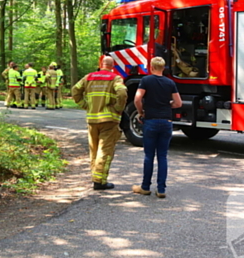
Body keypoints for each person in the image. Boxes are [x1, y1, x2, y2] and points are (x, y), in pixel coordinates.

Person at [72, 56, 127, 191]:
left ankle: (95, 177)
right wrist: (118, 109)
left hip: (92, 119)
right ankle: (99, 181)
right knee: (105, 150)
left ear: (100, 64)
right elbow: (123, 93)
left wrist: (85, 105)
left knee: (94, 150)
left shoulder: (89, 77)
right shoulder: (115, 78)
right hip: (108, 120)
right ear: (112, 66)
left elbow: (75, 91)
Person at [132, 56, 182, 198]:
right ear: (163, 68)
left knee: (149, 156)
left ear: (151, 67)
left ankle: (145, 187)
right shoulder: (170, 82)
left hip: (151, 121)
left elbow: (137, 99)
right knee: (162, 156)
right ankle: (161, 189)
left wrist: (141, 112)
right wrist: (167, 105)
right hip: (166, 122)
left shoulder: (146, 80)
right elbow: (178, 103)